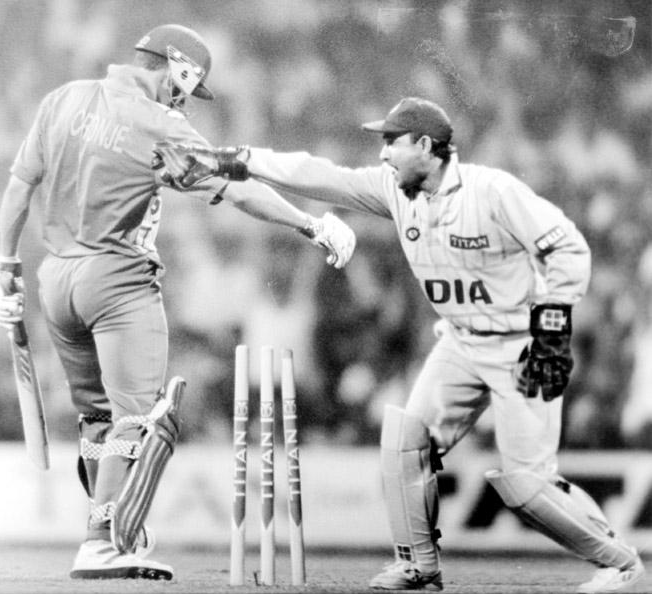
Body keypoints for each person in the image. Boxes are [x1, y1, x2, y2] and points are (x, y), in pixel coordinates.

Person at [153, 97, 645, 593]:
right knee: (404, 442)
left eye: (393, 142)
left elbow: (567, 246)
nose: (384, 154)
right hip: (458, 342)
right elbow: (317, 173)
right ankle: (418, 565)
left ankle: (621, 563)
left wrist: (553, 329)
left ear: (426, 146)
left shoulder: (492, 190)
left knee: (527, 487)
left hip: (519, 345)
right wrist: (234, 158)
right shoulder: (394, 190)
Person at [0, 24, 354, 581]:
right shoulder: (163, 124)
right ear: (177, 67)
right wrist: (310, 223)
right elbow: (239, 187)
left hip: (55, 283)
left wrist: (3, 267)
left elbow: (18, 188)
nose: (187, 97)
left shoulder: (62, 99)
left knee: (97, 418)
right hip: (118, 281)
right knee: (138, 417)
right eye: (190, 84)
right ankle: (104, 540)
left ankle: (110, 528)